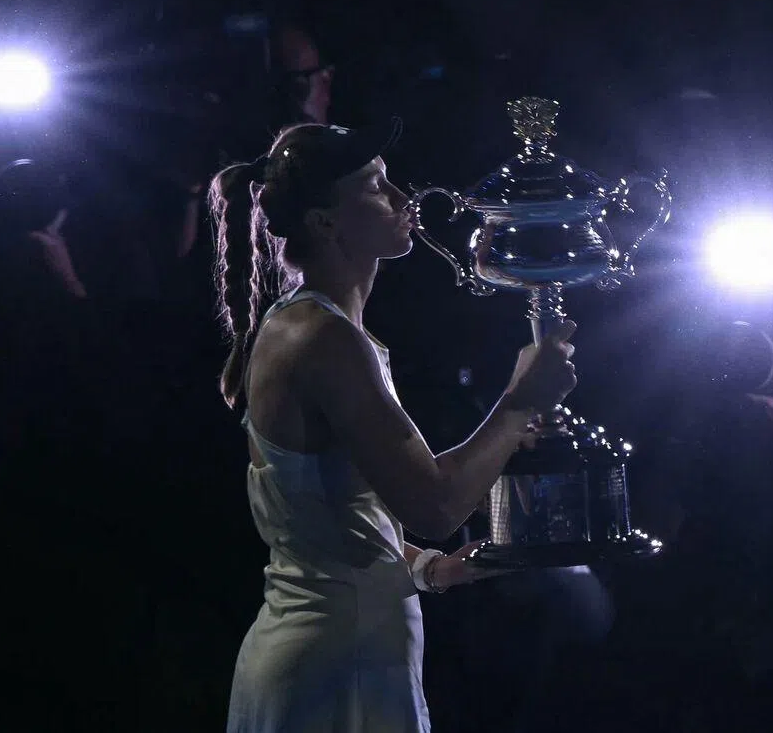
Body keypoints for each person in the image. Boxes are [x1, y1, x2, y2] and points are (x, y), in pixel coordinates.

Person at [208, 120, 577, 732]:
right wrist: (518, 403)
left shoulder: (316, 328)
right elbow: (434, 504)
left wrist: (428, 567)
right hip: (339, 661)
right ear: (327, 222)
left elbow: (328, 522)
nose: (406, 200)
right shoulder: (323, 339)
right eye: (377, 187)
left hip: (337, 645)